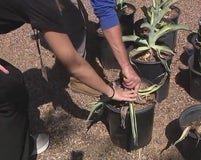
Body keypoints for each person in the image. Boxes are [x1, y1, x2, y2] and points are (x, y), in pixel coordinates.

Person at [0, 0, 141, 159]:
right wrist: (112, 92)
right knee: (10, 93)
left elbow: (105, 9)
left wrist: (126, 66)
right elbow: (75, 65)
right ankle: (14, 148)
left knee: (72, 16)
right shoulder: (42, 5)